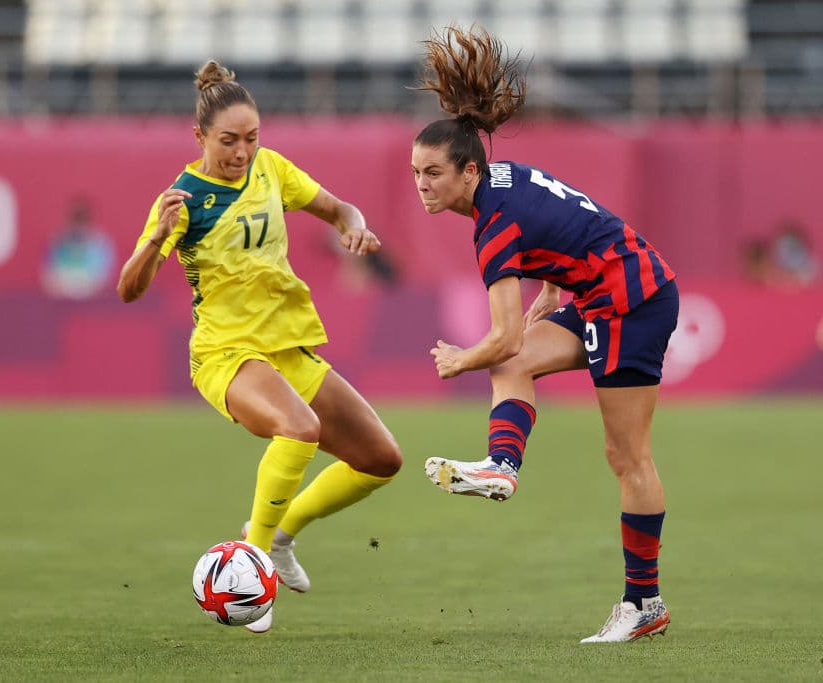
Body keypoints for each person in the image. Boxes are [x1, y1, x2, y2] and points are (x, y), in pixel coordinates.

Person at [409, 26, 678, 644]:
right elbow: (568, 222)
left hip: (632, 303)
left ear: (467, 171)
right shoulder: (507, 177)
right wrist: (554, 291)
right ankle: (503, 466)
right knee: (517, 366)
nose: (421, 184)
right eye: (414, 172)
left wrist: (458, 360)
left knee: (626, 455)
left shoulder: (492, 228)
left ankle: (644, 604)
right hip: (604, 292)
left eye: (431, 173)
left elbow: (500, 337)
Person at [117, 60, 403, 634]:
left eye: (251, 138)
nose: (242, 152)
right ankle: (252, 556)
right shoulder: (183, 199)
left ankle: (277, 537)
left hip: (288, 349)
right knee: (299, 428)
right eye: (228, 141)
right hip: (226, 355)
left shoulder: (272, 170)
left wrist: (353, 225)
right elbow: (129, 288)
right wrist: (153, 239)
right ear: (199, 137)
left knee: (380, 459)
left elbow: (339, 208)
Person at [41, 197, 115, 300]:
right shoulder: (57, 242)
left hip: (92, 303)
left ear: (90, 218)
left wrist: (83, 288)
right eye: (75, 217)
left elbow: (104, 279)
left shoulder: (101, 244)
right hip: (62, 303)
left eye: (82, 218)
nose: (78, 224)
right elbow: (48, 278)